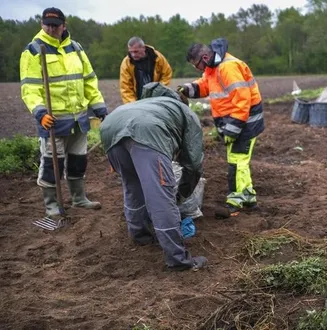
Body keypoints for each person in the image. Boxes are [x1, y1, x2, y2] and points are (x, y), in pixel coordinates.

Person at [100, 82, 207, 271]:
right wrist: (182, 193)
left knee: (132, 186)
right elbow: (193, 163)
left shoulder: (149, 103)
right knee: (161, 197)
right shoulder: (185, 112)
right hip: (147, 133)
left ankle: (140, 236)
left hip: (111, 128)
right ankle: (178, 260)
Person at [20, 7, 106, 219]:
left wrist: (99, 106)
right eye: (47, 24)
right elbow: (30, 88)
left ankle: (79, 199)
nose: (51, 28)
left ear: (63, 26)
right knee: (52, 164)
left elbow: (89, 80)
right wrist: (40, 112)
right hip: (53, 121)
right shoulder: (33, 50)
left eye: (55, 25)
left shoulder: (76, 48)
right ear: (42, 24)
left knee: (78, 161)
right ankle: (52, 205)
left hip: (78, 119)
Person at [178, 38, 265, 216]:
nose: (198, 69)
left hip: (244, 123)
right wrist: (188, 89)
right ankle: (248, 196)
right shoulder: (212, 68)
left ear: (204, 56)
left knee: (237, 162)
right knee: (239, 161)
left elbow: (242, 99)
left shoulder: (228, 67)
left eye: (197, 65)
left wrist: (233, 128)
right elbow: (205, 86)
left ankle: (237, 199)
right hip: (235, 121)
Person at [119, 36, 173, 104]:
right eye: (131, 52)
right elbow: (125, 88)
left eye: (136, 51)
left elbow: (167, 73)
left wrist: (160, 90)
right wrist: (133, 105)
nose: (133, 55)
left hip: (157, 98)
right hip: (137, 100)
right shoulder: (126, 63)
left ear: (143, 48)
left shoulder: (157, 57)